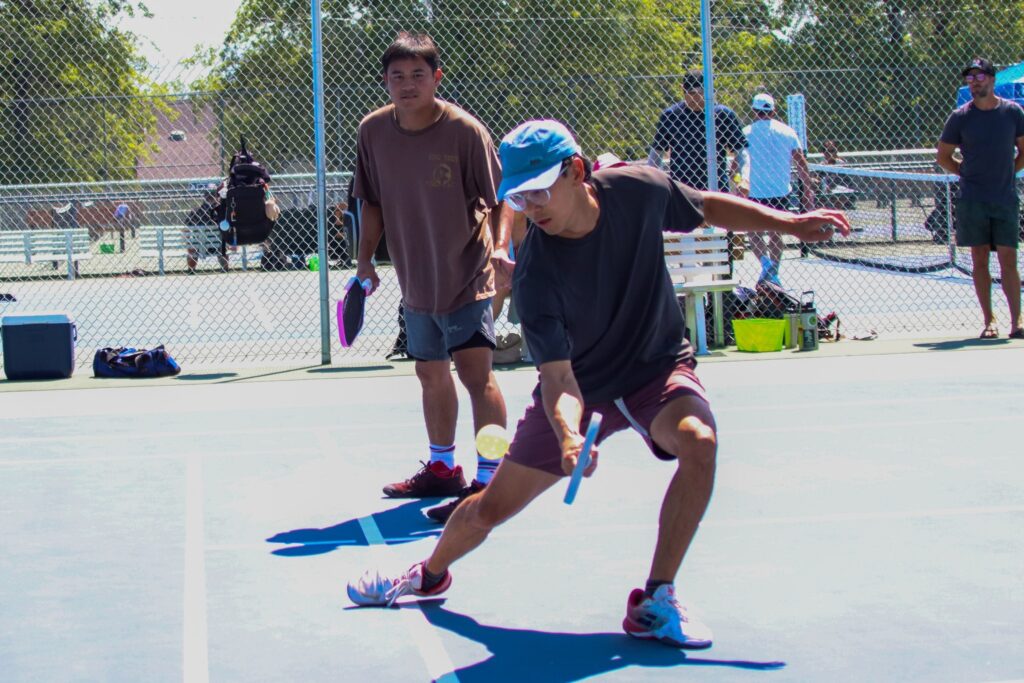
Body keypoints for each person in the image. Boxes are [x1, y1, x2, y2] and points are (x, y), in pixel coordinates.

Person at [348, 119, 851, 649]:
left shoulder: (639, 189)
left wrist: (790, 224)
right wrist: (568, 436)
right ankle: (427, 574)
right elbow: (558, 378)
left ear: (578, 171)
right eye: (519, 195)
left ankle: (656, 598)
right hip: (583, 389)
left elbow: (706, 207)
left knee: (700, 443)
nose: (531, 206)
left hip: (655, 368)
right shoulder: (537, 274)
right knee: (492, 507)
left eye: (541, 188)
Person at [352, 32, 513, 522]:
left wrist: (503, 248)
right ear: (384, 82)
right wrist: (364, 262)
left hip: (468, 274)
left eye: (417, 75)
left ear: (436, 78)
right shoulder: (373, 131)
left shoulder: (465, 131)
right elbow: (370, 203)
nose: (407, 85)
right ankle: (443, 469)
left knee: (475, 375)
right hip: (415, 279)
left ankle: (490, 476)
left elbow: (504, 196)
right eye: (397, 76)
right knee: (429, 373)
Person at [937, 58, 1024, 339]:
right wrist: (966, 173)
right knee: (979, 259)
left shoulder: (1012, 112)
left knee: (1009, 259)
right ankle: (989, 320)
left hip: (1005, 198)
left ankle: (1017, 321)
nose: (974, 82)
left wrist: (1008, 172)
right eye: (970, 78)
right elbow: (943, 157)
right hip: (972, 199)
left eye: (979, 76)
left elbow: (1023, 150)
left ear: (991, 79)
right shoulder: (960, 117)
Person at [738, 93, 815, 284]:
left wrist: (738, 182)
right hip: (780, 192)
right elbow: (801, 163)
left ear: (754, 111)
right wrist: (807, 189)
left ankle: (767, 267)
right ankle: (772, 272)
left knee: (753, 233)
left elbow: (736, 166)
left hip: (755, 193)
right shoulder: (787, 132)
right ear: (773, 110)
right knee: (776, 233)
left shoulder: (745, 132)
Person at [648, 70, 747, 192]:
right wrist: (652, 182)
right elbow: (656, 154)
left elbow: (741, 151)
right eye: (692, 93)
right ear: (683, 89)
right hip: (682, 189)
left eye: (701, 92)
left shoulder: (722, 114)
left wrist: (745, 178)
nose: (698, 98)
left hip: (717, 187)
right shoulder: (671, 115)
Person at [184, 183, 228, 272]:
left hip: (199, 246)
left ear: (204, 196)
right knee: (223, 246)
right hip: (218, 245)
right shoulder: (222, 211)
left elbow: (186, 230)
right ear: (216, 196)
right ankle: (225, 269)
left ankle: (191, 270)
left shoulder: (195, 212)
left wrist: (189, 243)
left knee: (192, 248)